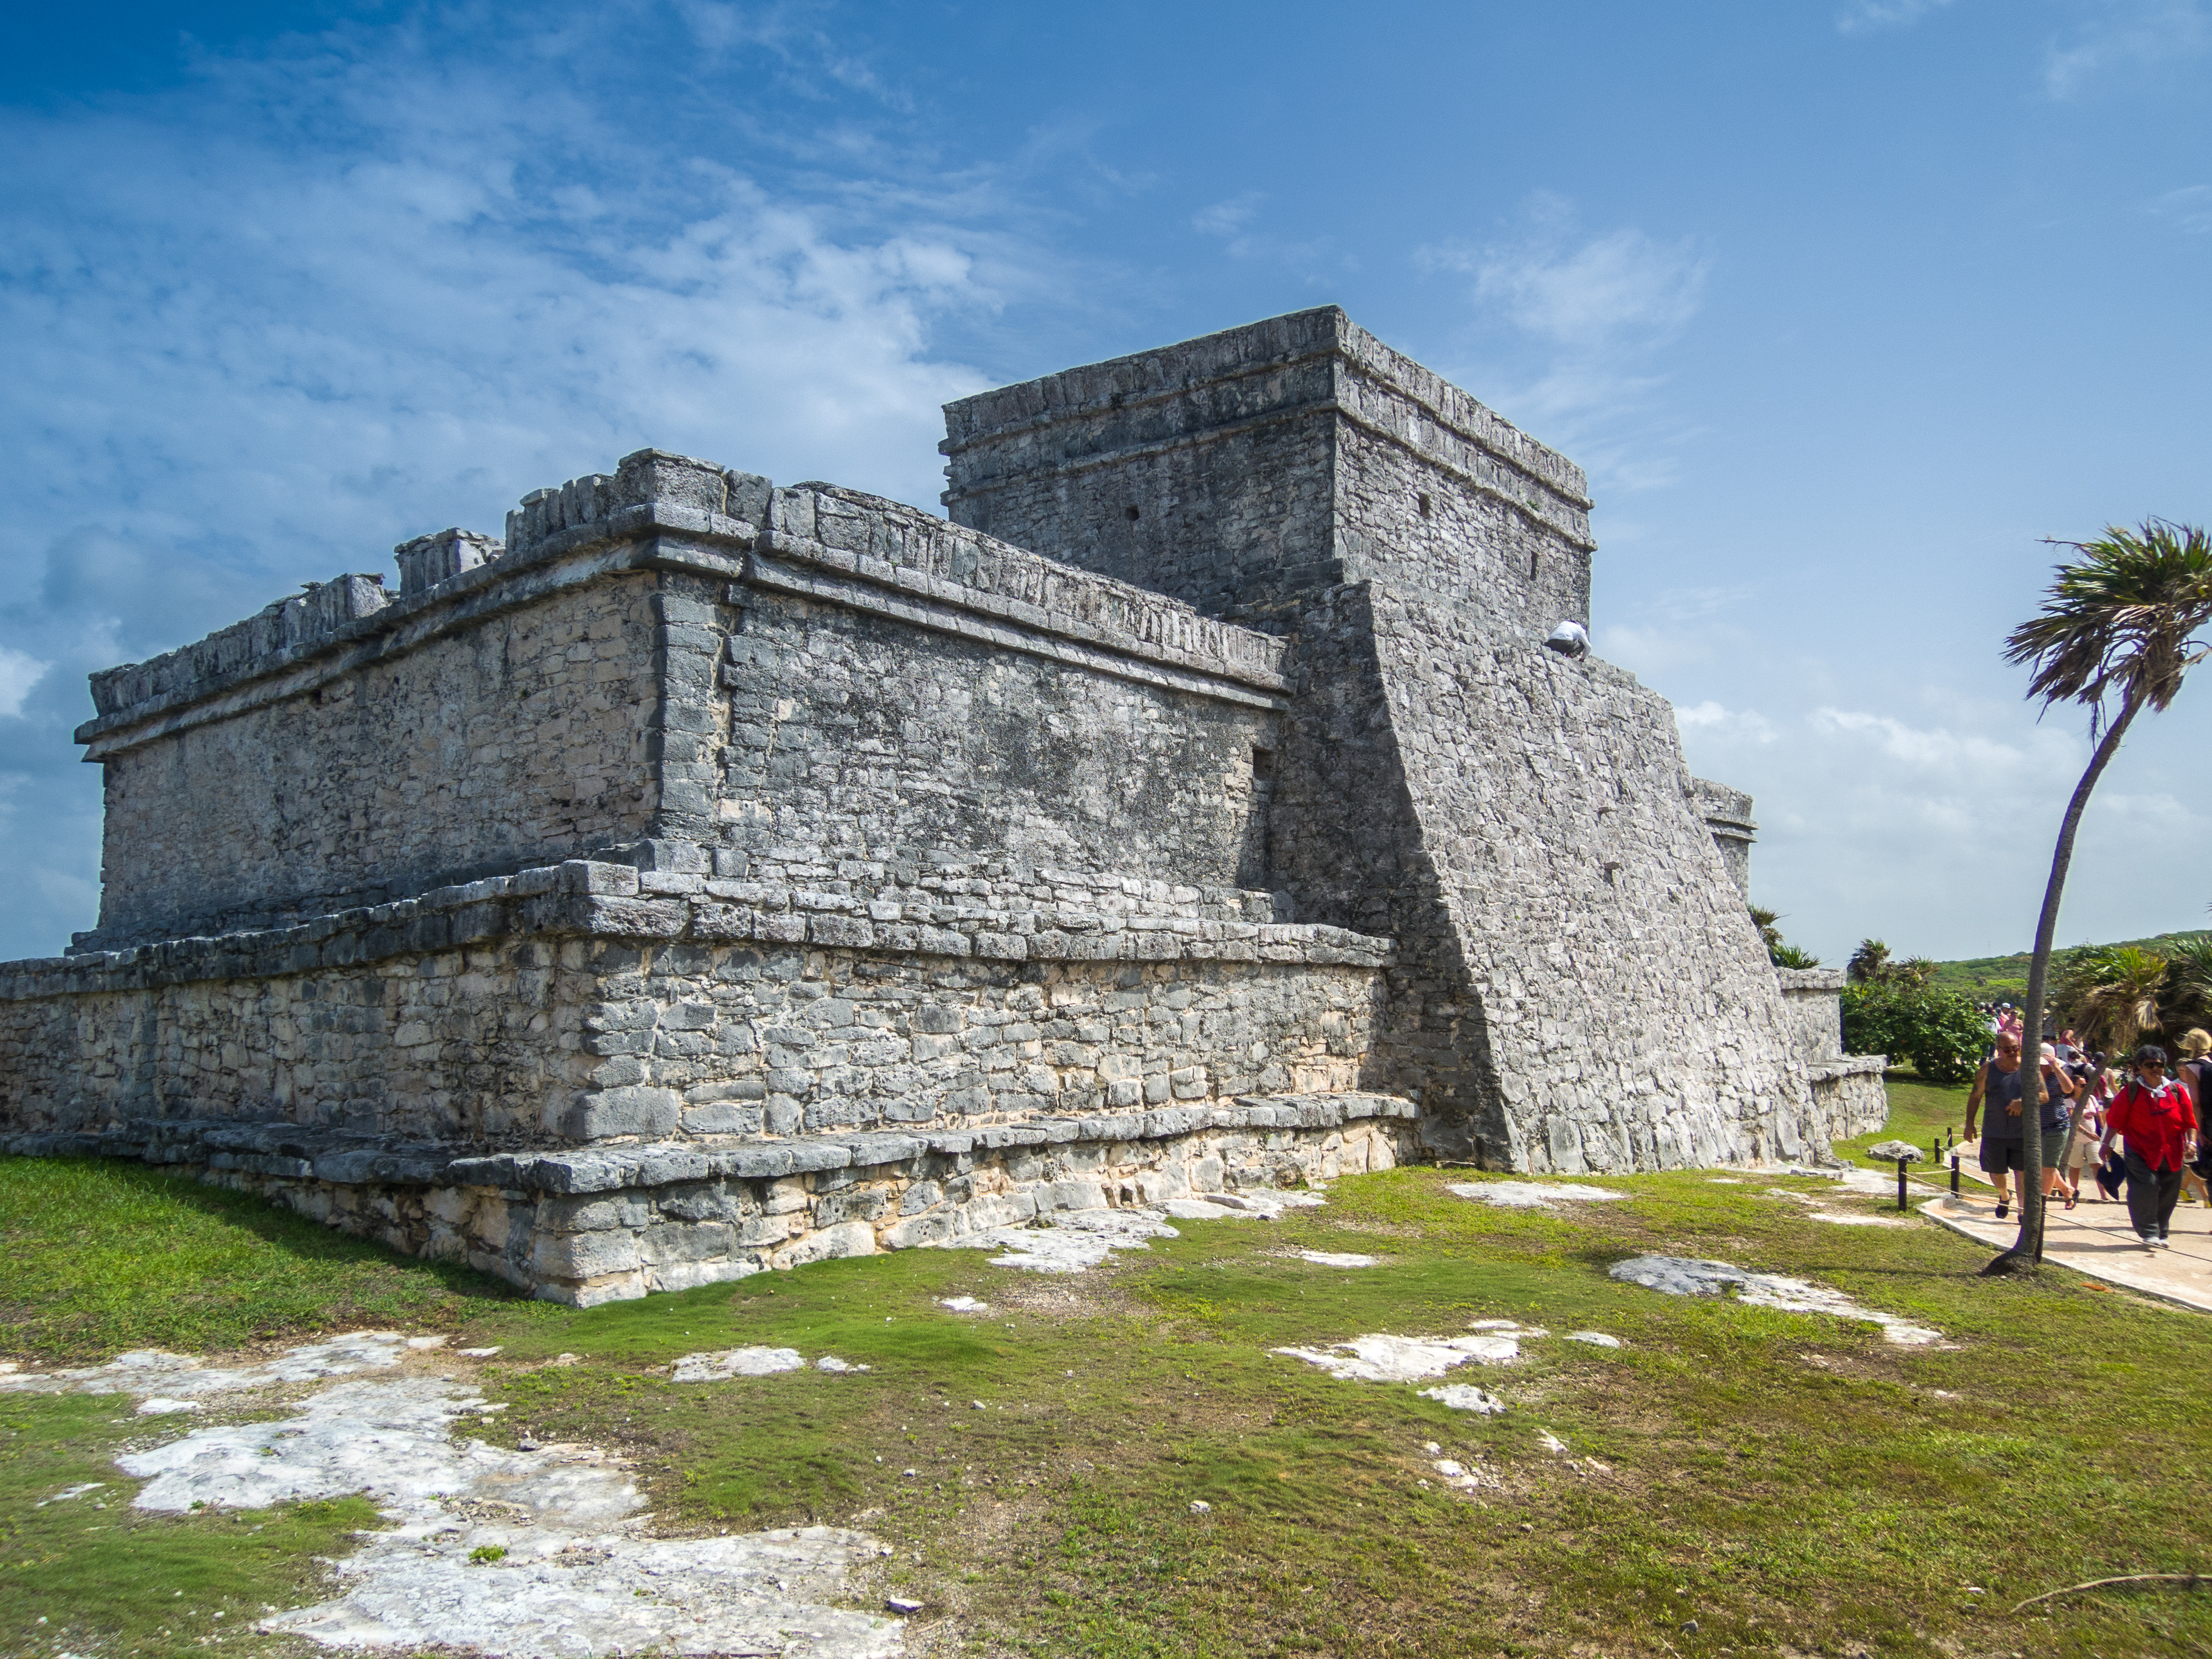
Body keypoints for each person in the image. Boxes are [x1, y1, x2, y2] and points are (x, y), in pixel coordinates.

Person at [1962, 1031, 2077, 1222]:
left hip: (2024, 1132)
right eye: (2007, 1049)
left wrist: (2023, 1102)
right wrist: (1969, 1124)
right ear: (1998, 1049)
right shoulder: (1987, 1069)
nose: (2012, 1052)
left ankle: (2022, 1210)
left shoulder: (2030, 1069)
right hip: (1994, 1130)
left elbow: (2044, 1096)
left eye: (2015, 1048)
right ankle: (2005, 1196)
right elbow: (1975, 1096)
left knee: (2022, 1172)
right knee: (1996, 1172)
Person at [2100, 1045, 2199, 1251]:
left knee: (2170, 1191)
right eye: (2150, 1065)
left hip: (2172, 1151)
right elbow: (2115, 1120)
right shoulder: (2132, 1091)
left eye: (2159, 1065)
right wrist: (2106, 1145)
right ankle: (2149, 1232)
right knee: (2146, 1186)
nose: (2155, 1068)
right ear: (2140, 1067)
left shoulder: (2177, 1091)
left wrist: (2191, 1142)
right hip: (2139, 1150)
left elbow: (2190, 1121)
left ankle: (2162, 1233)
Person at [2176, 1029, 2212, 1208]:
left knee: (2209, 1169)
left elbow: (2196, 1103)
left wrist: (2199, 1131)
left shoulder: (2192, 1067)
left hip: (2207, 1123)